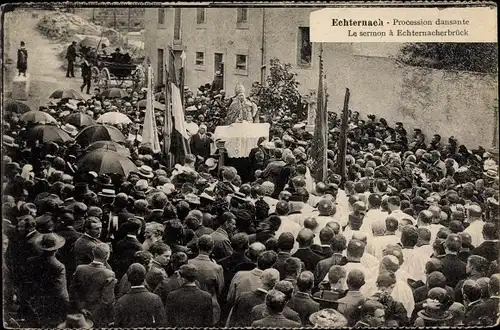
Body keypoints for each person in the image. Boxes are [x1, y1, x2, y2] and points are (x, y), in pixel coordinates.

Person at [24, 233, 69, 327]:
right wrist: (67, 305)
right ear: (56, 249)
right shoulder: (59, 266)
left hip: (36, 300)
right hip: (52, 304)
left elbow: (27, 282)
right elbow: (61, 291)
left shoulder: (30, 261)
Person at [70, 243, 116, 327]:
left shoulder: (80, 269)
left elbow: (73, 290)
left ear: (93, 253)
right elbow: (107, 300)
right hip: (98, 317)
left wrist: (81, 307)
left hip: (80, 313)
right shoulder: (109, 274)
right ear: (106, 256)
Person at [114, 263, 166, 327]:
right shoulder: (155, 299)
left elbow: (117, 324)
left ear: (128, 279)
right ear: (145, 277)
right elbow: (161, 323)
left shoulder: (121, 301)